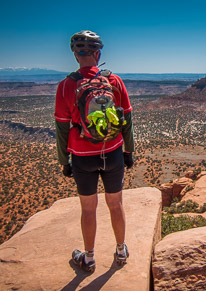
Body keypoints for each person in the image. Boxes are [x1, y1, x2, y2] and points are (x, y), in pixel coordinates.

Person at [55, 30, 135, 272]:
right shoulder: (114, 81)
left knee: (88, 208)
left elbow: (61, 128)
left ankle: (88, 258)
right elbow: (127, 121)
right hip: (112, 152)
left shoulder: (66, 86)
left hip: (82, 157)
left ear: (75, 56)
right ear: (98, 54)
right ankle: (121, 251)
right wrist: (128, 152)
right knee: (115, 203)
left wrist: (64, 160)